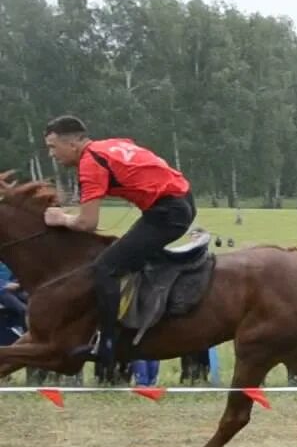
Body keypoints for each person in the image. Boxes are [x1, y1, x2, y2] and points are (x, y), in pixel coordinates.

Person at [42, 115, 196, 373]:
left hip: (168, 211)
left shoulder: (90, 163)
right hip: (179, 199)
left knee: (105, 268)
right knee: (122, 257)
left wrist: (61, 218)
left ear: (72, 144)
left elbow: (87, 223)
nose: (51, 154)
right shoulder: (108, 145)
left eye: (52, 147)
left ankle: (109, 345)